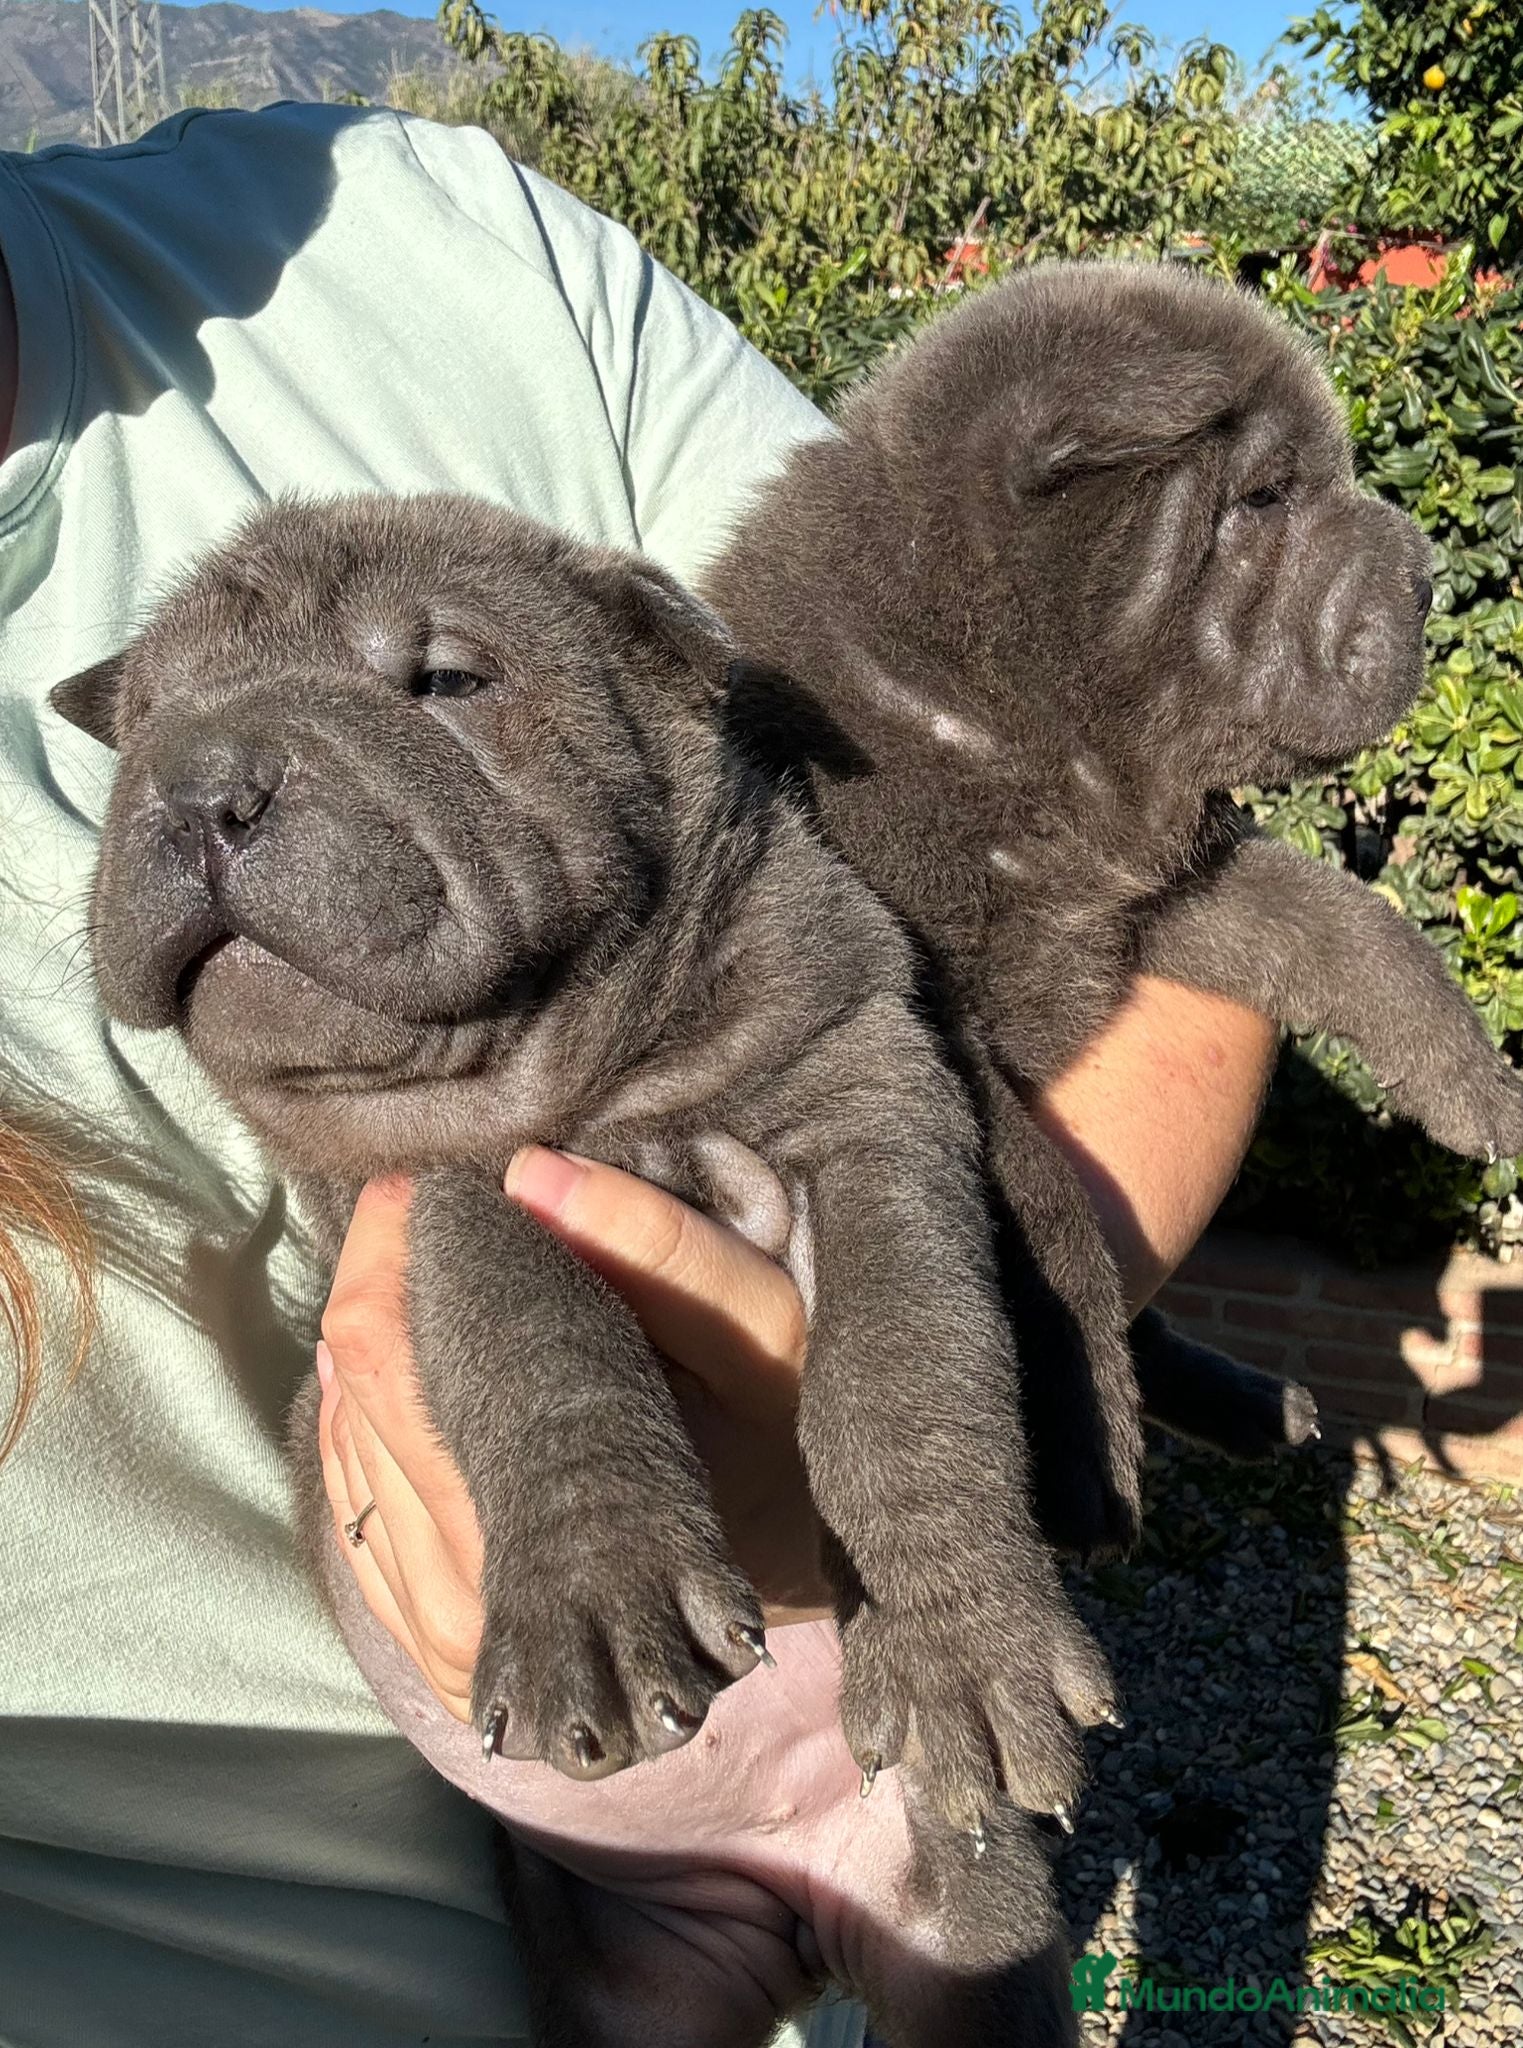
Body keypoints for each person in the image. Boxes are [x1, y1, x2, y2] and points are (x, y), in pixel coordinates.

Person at [0, 102, 1276, 2046]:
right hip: (533, 1909)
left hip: (861, 1772)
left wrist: (913, 1478)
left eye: (433, 680)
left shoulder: (426, 250)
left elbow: (1136, 860)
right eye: (153, 723)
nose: (200, 775)